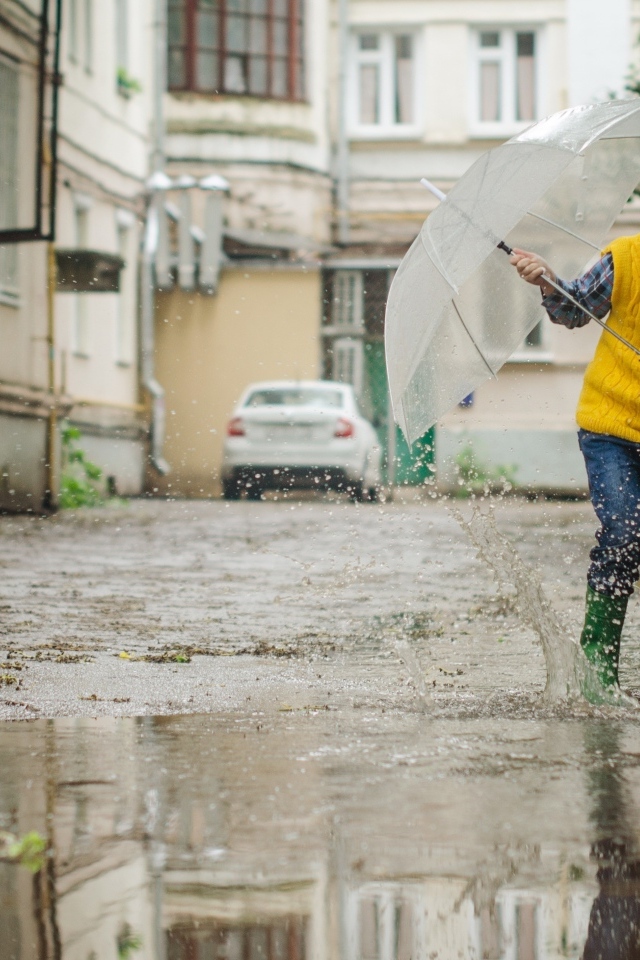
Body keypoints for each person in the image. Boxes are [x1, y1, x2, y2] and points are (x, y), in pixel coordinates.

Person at [511, 236, 640, 705]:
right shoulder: (626, 259)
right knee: (625, 535)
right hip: (612, 427)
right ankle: (598, 672)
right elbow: (573, 310)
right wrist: (546, 280)